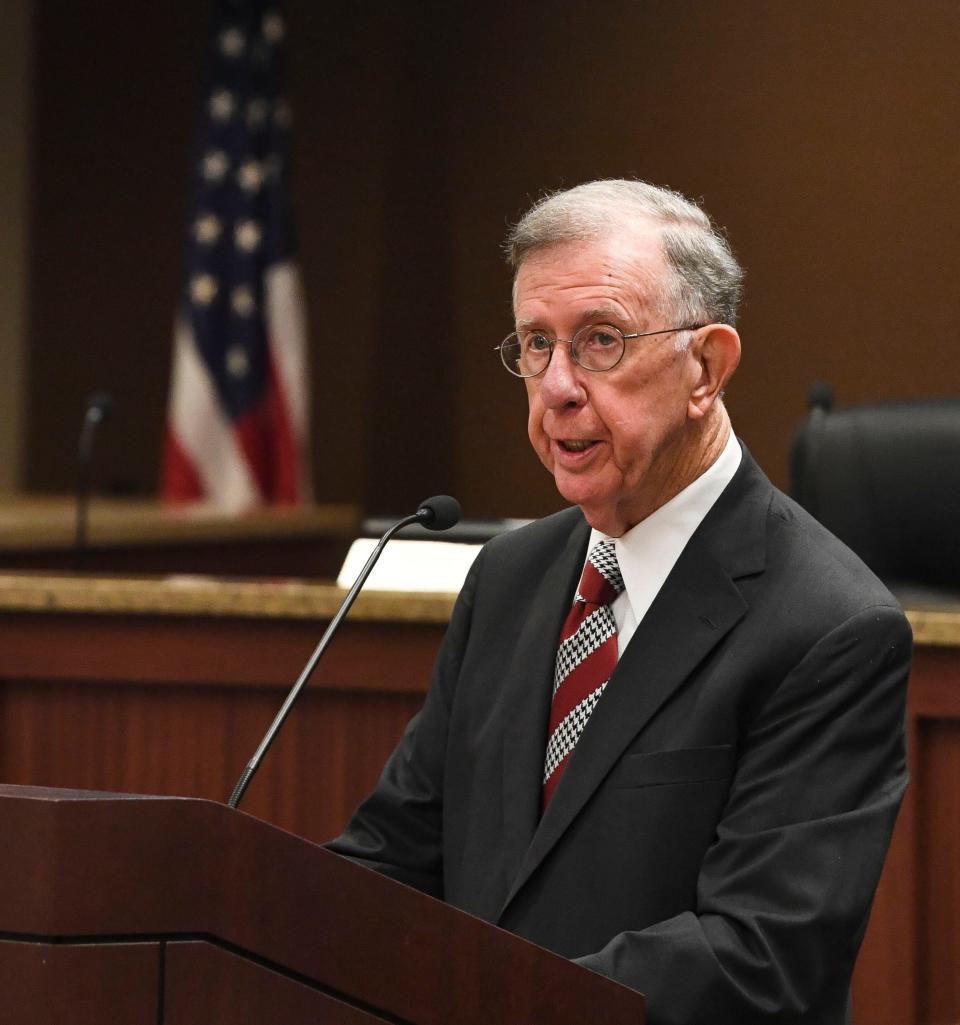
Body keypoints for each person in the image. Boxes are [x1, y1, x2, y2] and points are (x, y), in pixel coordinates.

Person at [326, 180, 910, 1024]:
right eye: (535, 344)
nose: (557, 385)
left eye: (600, 341)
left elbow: (759, 958)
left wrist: (488, 998)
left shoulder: (830, 625)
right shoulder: (509, 576)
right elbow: (396, 853)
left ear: (706, 367)